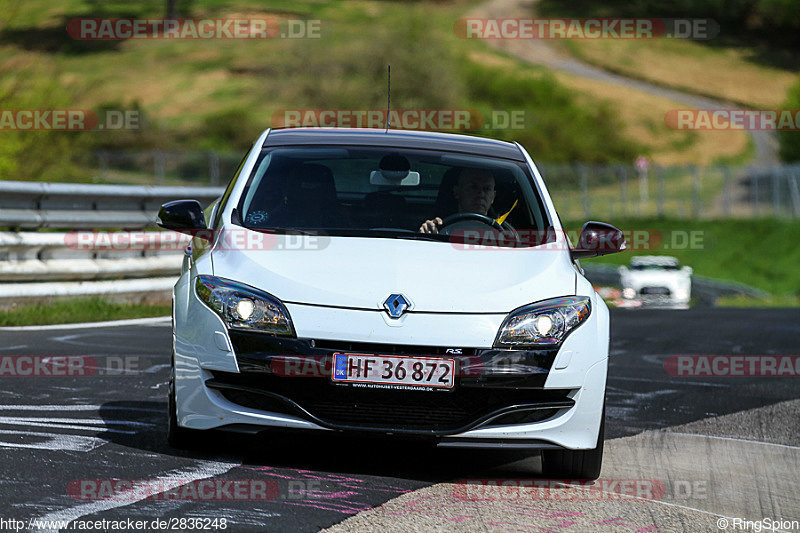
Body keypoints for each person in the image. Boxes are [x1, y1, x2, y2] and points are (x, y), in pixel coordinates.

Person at [419, 167, 496, 234]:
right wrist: (428, 232)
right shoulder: (440, 228)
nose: (481, 194)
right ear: (457, 192)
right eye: (473, 187)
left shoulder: (502, 233)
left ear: (493, 197)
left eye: (487, 189)